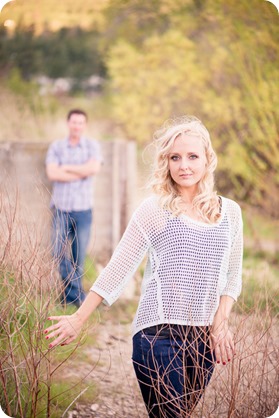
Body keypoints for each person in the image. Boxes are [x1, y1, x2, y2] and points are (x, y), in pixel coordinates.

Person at [44, 116, 243, 417]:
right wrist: (79, 319)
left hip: (204, 341)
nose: (183, 165)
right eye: (175, 157)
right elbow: (118, 268)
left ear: (207, 160)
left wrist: (221, 324)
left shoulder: (230, 213)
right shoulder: (154, 209)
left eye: (192, 156)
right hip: (157, 337)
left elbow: (232, 275)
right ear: (166, 162)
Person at [45, 109, 102, 308]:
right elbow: (52, 173)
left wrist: (66, 168)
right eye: (73, 122)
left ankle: (70, 298)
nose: (76, 126)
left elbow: (93, 169)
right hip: (61, 209)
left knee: (78, 259)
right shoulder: (57, 146)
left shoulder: (92, 146)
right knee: (58, 253)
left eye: (80, 123)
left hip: (83, 211)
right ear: (68, 123)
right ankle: (78, 296)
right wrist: (81, 170)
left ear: (84, 125)